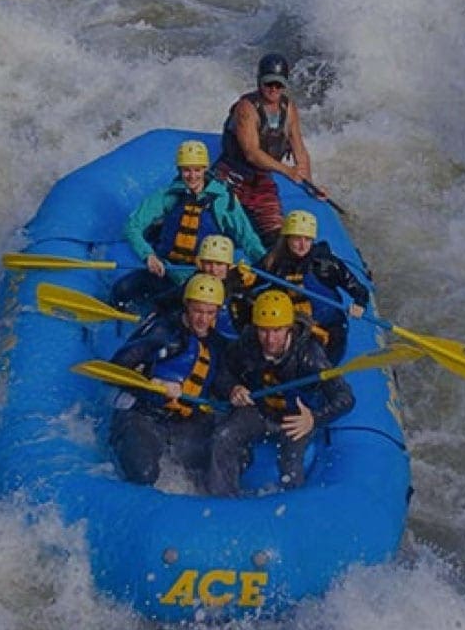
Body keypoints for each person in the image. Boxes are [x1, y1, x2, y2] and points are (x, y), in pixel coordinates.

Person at [206, 290, 355, 496]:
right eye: (263, 331)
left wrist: (313, 419)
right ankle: (223, 497)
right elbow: (223, 372)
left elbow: (345, 397)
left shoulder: (309, 356)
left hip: (296, 418)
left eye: (277, 331)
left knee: (290, 463)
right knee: (223, 437)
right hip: (259, 409)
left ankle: (292, 503)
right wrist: (233, 388)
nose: (270, 339)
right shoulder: (247, 344)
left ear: (288, 328)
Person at [113, 140, 266, 309]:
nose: (192, 176)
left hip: (202, 274)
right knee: (121, 290)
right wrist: (148, 256)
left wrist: (265, 264)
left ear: (205, 169)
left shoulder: (222, 199)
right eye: (186, 170)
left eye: (197, 170)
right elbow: (132, 226)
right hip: (166, 269)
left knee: (166, 307)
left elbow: (247, 237)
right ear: (179, 170)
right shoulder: (169, 194)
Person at [108, 273, 227, 486]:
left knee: (210, 476)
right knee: (144, 474)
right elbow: (116, 367)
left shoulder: (216, 343)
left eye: (210, 313)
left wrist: (235, 389)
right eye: (197, 311)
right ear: (186, 306)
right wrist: (152, 384)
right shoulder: (162, 332)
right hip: (142, 413)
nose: (203, 319)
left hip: (184, 420)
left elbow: (223, 380)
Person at [214, 53, 323, 246]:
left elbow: (299, 149)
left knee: (275, 234)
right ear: (259, 82)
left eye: (279, 85)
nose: (273, 89)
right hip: (233, 175)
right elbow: (251, 153)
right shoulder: (246, 108)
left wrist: (310, 185)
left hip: (261, 180)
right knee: (222, 223)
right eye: (269, 84)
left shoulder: (288, 108)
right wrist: (287, 171)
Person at [253, 209, 369, 362]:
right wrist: (243, 278)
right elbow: (252, 279)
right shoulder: (274, 259)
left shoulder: (326, 263)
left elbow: (359, 290)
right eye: (297, 239)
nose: (303, 245)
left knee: (322, 358)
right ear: (287, 238)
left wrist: (360, 303)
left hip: (327, 325)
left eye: (307, 239)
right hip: (290, 324)